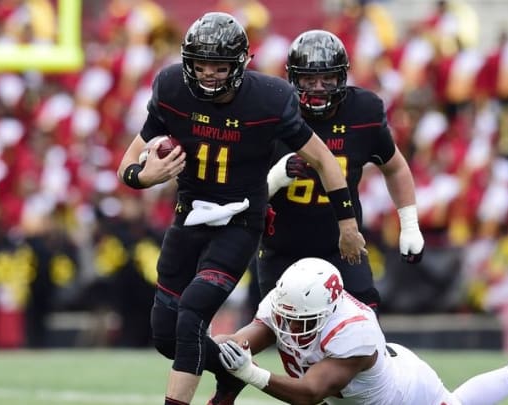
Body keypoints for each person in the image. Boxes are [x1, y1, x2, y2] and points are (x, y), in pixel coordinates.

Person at [116, 12, 367, 405]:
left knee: (191, 316)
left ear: (239, 65)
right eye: (201, 66)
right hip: (188, 218)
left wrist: (347, 224)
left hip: (239, 222)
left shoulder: (269, 98)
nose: (208, 75)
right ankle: (233, 373)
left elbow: (324, 160)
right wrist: (142, 177)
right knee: (167, 337)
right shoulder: (171, 87)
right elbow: (129, 161)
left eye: (219, 67)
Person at [213, 257, 508, 405]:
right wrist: (216, 346)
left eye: (299, 322)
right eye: (285, 316)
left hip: (406, 396)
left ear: (326, 312)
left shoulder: (354, 333)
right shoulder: (289, 301)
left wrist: (249, 373)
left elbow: (309, 393)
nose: (288, 328)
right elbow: (251, 338)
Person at [259, 29, 424, 311]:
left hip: (343, 244)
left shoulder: (363, 112)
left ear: (342, 77)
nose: (319, 87)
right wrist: (276, 176)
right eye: (309, 79)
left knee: (366, 326)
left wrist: (409, 224)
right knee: (285, 336)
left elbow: (394, 167)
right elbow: (244, 190)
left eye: (327, 78)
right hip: (282, 247)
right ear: (293, 78)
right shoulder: (273, 111)